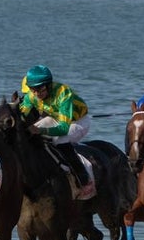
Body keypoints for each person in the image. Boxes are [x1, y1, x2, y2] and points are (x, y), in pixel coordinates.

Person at [18, 65, 93, 193]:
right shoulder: (31, 96)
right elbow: (21, 114)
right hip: (56, 117)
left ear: (48, 85)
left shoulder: (63, 93)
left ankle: (84, 179)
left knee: (59, 140)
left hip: (78, 121)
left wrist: (41, 131)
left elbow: (64, 128)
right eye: (33, 90)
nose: (37, 94)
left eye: (41, 89)